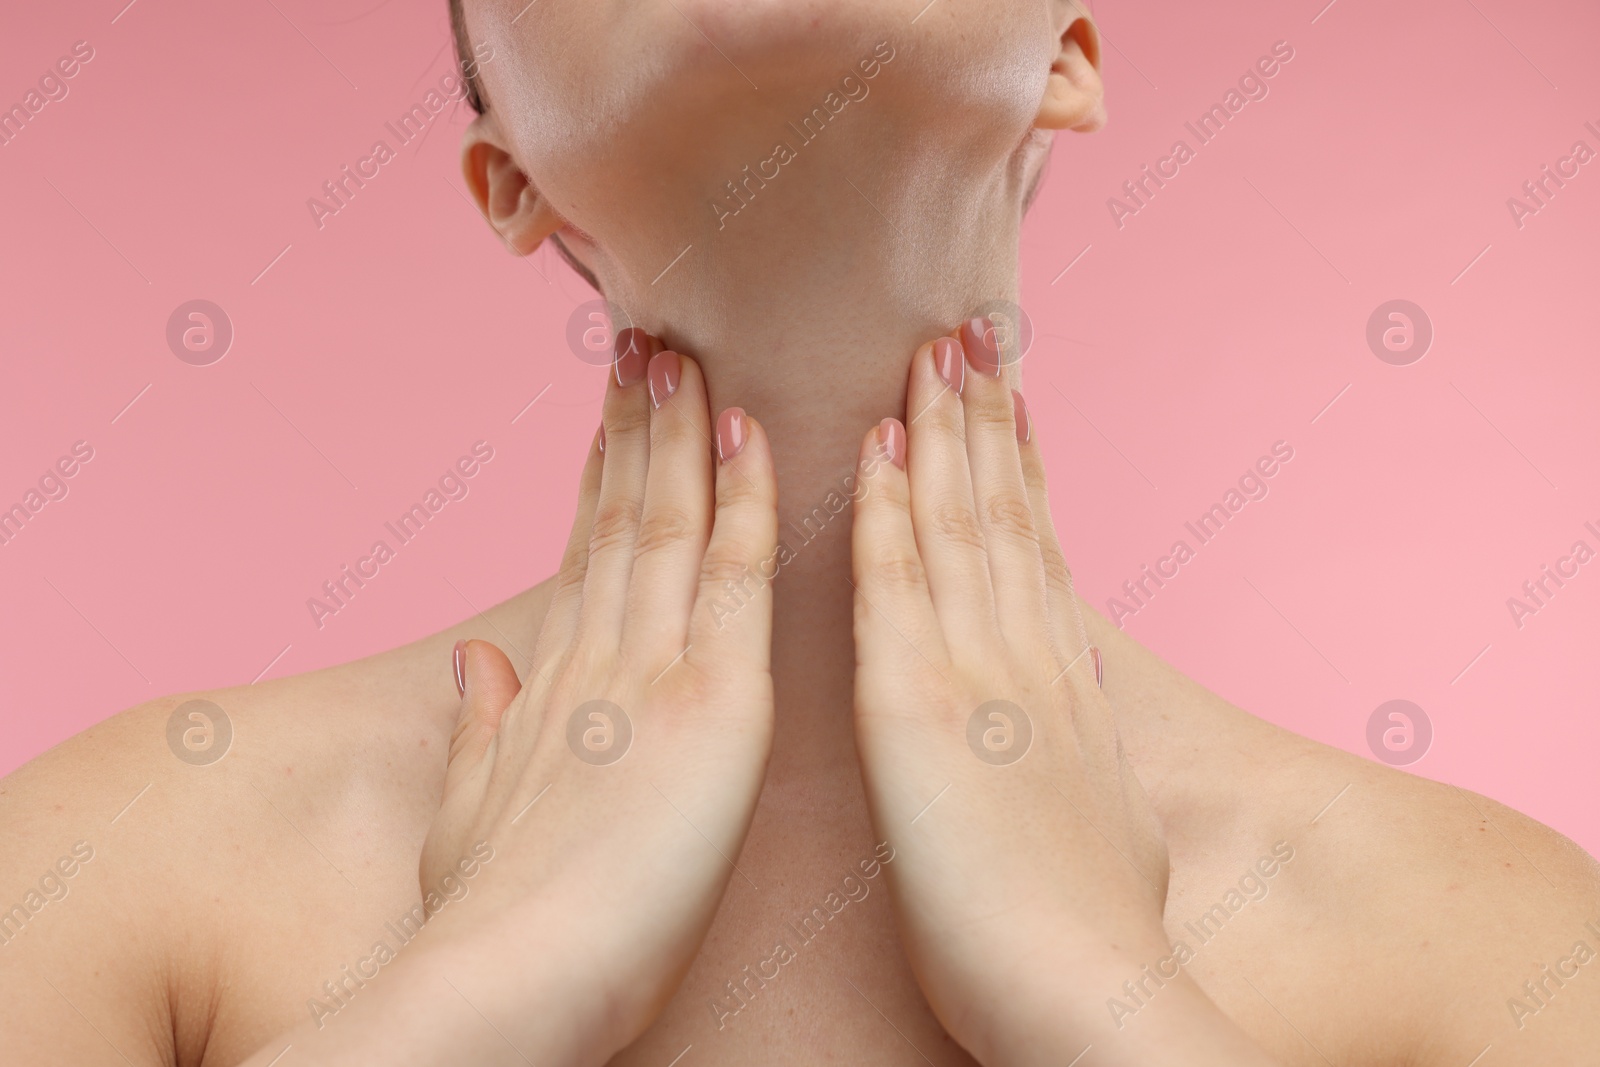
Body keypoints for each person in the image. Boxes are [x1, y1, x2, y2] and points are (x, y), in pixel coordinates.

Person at [3, 1, 1596, 1063]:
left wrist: (1096, 1001)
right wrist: (486, 989)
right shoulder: (117, 862)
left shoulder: (1483, 936)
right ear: (511, 179)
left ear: (1065, 54)